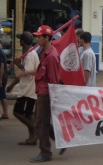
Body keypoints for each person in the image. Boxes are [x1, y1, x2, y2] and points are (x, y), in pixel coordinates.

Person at [30, 25, 60, 162]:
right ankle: (59, 140)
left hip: (46, 94)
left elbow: (53, 80)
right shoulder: (44, 53)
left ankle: (45, 152)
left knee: (41, 123)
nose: (37, 39)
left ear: (47, 38)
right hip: (41, 92)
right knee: (41, 122)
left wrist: (53, 99)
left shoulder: (52, 56)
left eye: (39, 37)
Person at [6, 31, 39, 145]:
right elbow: (22, 74)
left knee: (17, 112)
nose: (19, 41)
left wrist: (18, 64)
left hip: (28, 90)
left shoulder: (30, 55)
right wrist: (12, 85)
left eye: (20, 39)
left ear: (23, 42)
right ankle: (32, 137)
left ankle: (36, 130)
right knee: (28, 113)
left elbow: (27, 72)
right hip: (28, 88)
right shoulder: (28, 54)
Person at [0, 40, 8, 120]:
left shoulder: (0, 52)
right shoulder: (2, 52)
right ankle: (5, 112)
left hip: (1, 77)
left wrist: (0, 79)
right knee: (2, 95)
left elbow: (1, 66)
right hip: (3, 77)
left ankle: (5, 112)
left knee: (2, 95)